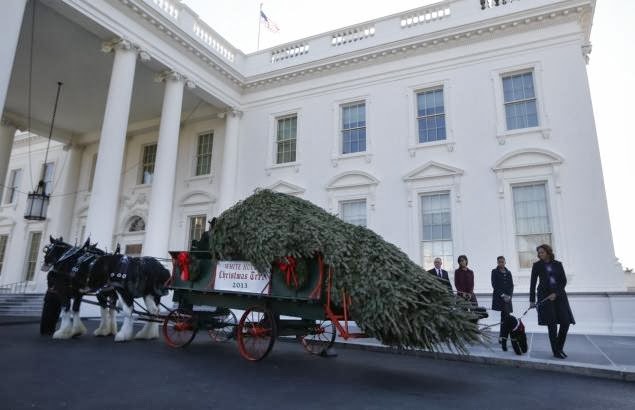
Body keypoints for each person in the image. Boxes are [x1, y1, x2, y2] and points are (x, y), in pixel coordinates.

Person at [529, 244, 575, 359]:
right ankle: (556, 351)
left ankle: (559, 347)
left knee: (565, 322)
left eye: (542, 252)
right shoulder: (537, 265)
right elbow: (533, 283)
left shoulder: (558, 264)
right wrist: (532, 300)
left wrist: (556, 293)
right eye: (539, 253)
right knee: (552, 324)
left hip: (559, 296)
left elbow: (563, 281)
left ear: (548, 252)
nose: (540, 255)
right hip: (545, 297)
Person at [491, 256, 514, 351]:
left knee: (506, 317)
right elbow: (494, 285)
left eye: (502, 262)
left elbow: (511, 285)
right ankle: (503, 336)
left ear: (505, 262)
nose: (501, 263)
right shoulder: (494, 272)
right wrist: (503, 295)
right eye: (499, 262)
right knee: (505, 317)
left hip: (508, 299)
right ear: (497, 262)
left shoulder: (508, 272)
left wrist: (509, 296)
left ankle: (503, 336)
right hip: (500, 298)